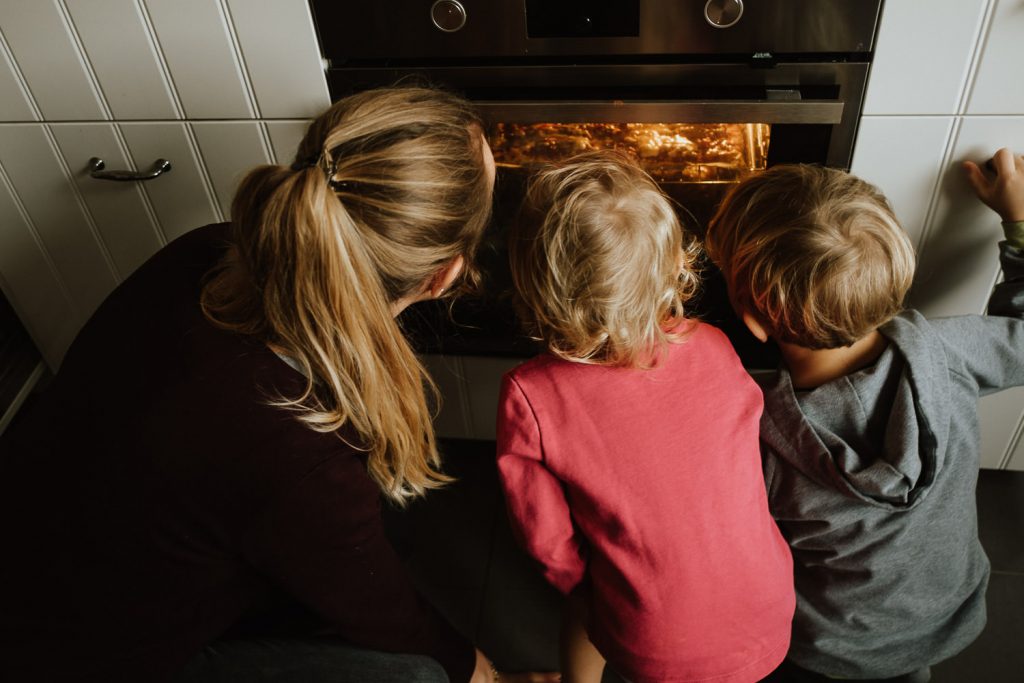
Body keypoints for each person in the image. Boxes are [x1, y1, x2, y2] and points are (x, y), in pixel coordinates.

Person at [0, 85, 553, 683]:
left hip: (38, 543)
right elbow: (391, 619)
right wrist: (487, 674)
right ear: (445, 277)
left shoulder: (207, 249)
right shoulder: (294, 452)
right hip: (83, 658)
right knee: (420, 674)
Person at [703, 150, 1024, 682]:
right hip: (941, 614)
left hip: (826, 647)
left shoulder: (755, 438)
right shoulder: (950, 354)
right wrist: (1017, 222)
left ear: (753, 321)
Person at [495, 151, 796, 683]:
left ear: (534, 283)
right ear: (676, 266)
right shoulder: (714, 344)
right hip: (771, 611)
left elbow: (544, 540)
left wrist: (586, 587)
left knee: (585, 610)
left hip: (653, 644)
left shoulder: (531, 393)